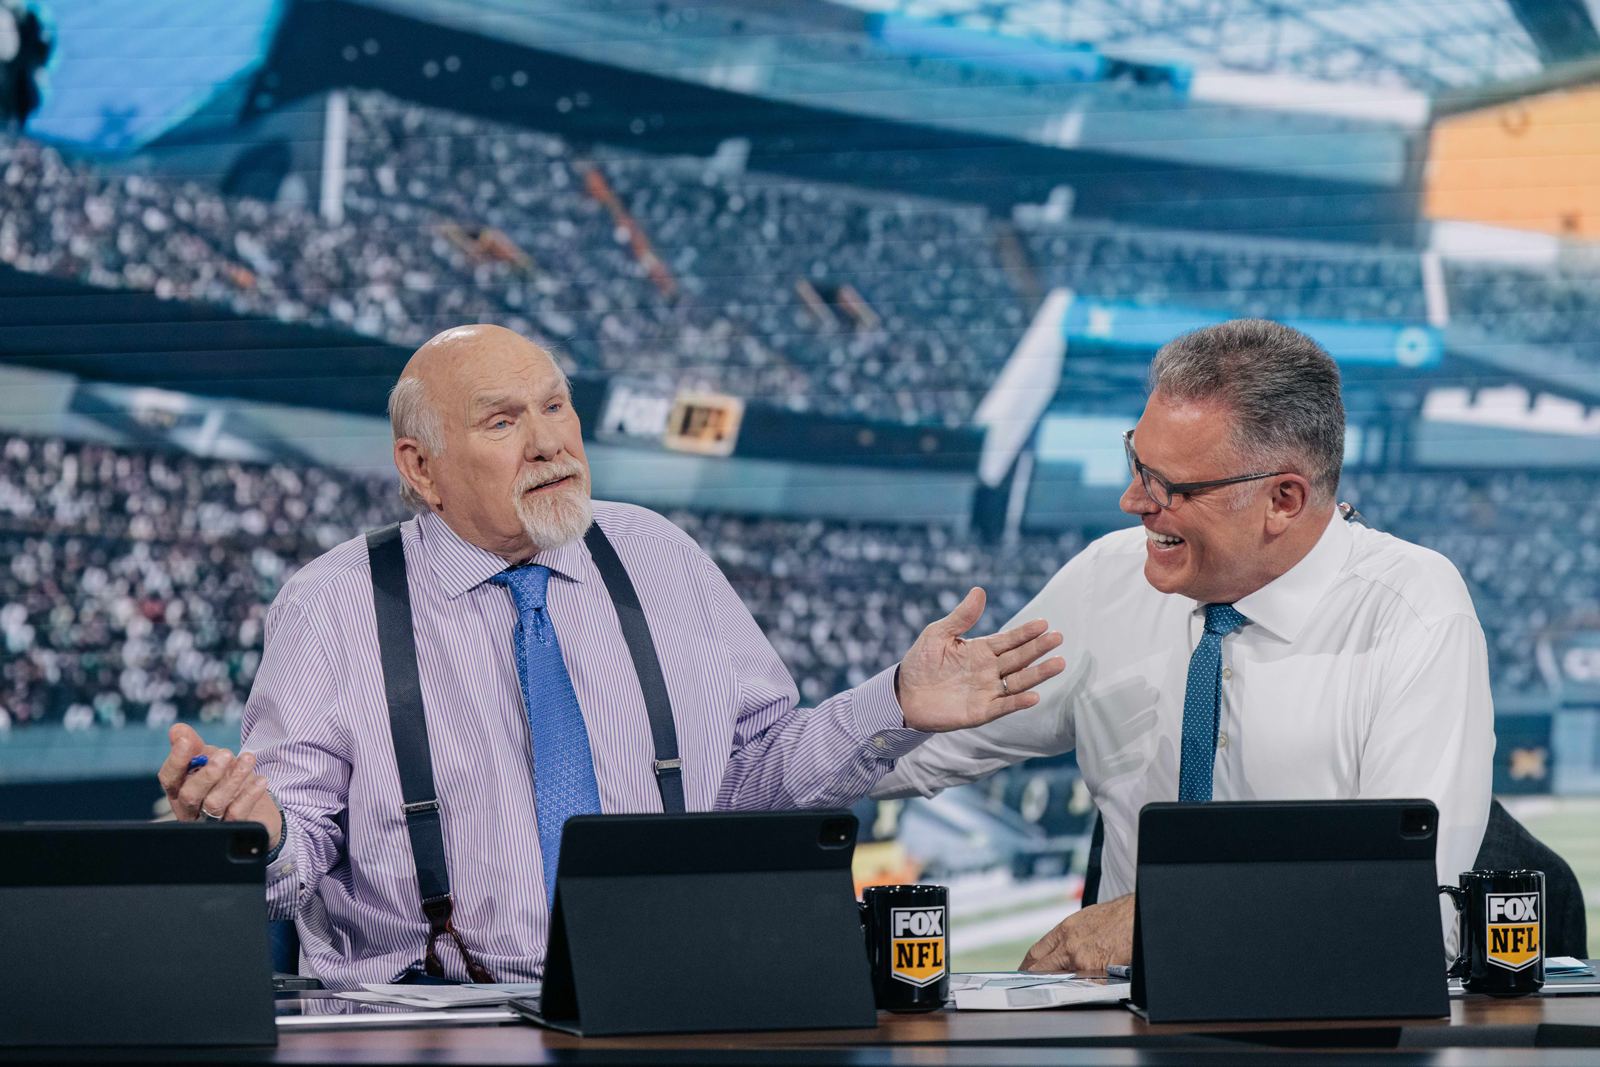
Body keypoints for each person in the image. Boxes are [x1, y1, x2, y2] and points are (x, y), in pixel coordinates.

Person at [157, 324, 1066, 988]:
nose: (552, 438)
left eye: (557, 405)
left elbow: (752, 776)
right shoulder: (332, 603)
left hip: (667, 1001)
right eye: (504, 420)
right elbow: (292, 855)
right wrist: (255, 828)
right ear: (421, 468)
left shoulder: (658, 552)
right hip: (436, 1022)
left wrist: (896, 700)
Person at [873, 319, 1494, 972]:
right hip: (1117, 1027)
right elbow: (910, 755)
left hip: (1312, 1034)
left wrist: (1166, 916)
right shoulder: (1106, 580)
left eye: (1171, 485)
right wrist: (890, 709)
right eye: (1136, 462)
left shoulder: (1413, 612)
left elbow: (1420, 914)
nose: (1132, 499)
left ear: (1282, 499)